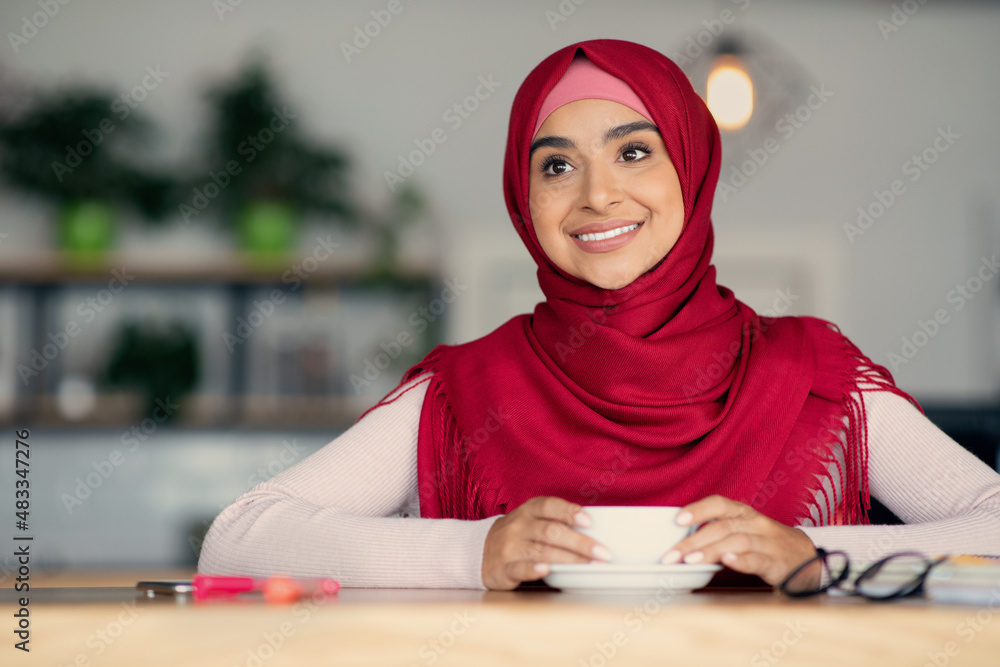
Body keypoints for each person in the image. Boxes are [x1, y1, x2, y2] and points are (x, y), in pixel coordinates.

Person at [198, 39, 1000, 591]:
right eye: (557, 165)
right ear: (526, 198)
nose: (597, 194)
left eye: (634, 150)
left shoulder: (814, 374)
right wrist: (478, 549)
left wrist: (816, 556)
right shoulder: (465, 387)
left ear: (691, 167)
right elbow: (238, 537)